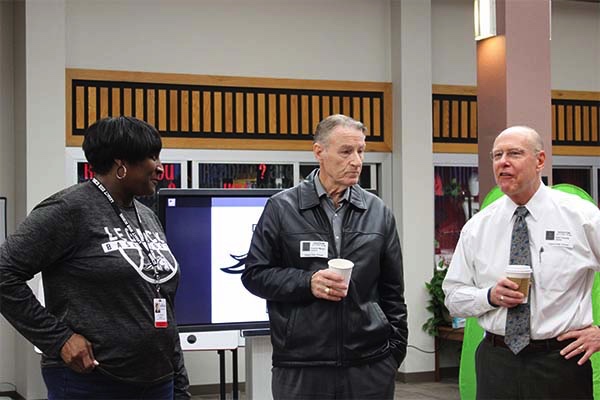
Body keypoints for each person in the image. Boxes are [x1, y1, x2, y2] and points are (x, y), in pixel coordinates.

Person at [0, 116, 191, 399]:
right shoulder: (68, 209)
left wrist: (180, 382)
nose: (161, 167)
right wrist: (59, 339)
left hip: (157, 380)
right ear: (120, 164)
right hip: (93, 382)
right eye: (152, 157)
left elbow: (161, 300)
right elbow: (4, 273)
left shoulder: (146, 215)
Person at [241, 114, 408, 400]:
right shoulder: (282, 208)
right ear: (319, 151)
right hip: (301, 366)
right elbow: (254, 275)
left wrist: (393, 354)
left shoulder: (378, 213)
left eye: (361, 151)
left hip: (370, 365)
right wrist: (308, 282)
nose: (356, 161)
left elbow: (393, 292)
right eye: (346, 151)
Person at [443, 125, 600, 399]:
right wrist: (490, 296)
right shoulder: (478, 227)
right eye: (497, 155)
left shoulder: (581, 216)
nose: (503, 162)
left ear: (540, 161)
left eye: (514, 153)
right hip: (496, 362)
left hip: (560, 361)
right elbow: (454, 296)